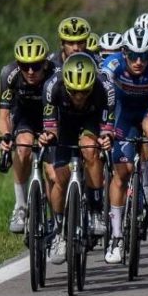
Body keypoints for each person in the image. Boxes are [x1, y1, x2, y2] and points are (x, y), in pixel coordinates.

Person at [38, 53, 115, 263]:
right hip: (65, 124)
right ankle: (59, 229)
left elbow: (107, 128)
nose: (79, 97)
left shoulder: (105, 88)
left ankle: (96, 211)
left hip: (91, 120)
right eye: (74, 92)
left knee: (90, 149)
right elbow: (50, 126)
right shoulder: (52, 86)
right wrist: (48, 136)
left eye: (84, 92)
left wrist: (106, 138)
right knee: (60, 177)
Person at [100, 27, 148, 264]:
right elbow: (104, 100)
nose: (139, 62)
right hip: (123, 114)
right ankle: (116, 237)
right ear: (124, 52)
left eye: (144, 56)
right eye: (134, 56)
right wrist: (105, 128)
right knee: (122, 172)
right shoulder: (112, 65)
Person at [0, 36, 56, 233]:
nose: (30, 71)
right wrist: (5, 136)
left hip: (52, 119)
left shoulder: (56, 73)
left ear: (45, 63)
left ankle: (56, 218)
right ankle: (20, 207)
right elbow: (3, 116)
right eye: (24, 65)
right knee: (23, 147)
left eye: (36, 66)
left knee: (52, 172)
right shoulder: (9, 74)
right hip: (24, 117)